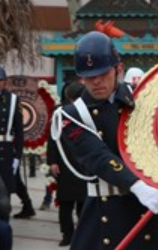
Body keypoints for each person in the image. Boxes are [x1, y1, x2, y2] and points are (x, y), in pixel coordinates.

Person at [55, 31, 158, 250]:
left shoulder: (142, 101)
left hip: (146, 207)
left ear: (118, 69)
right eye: (89, 76)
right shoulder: (71, 115)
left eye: (103, 73)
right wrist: (137, 186)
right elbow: (97, 156)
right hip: (103, 210)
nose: (97, 81)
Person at [0, 65, 33, 219]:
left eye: (1, 80)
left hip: (6, 149)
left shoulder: (13, 100)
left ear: (5, 81)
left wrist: (17, 156)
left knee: (4, 189)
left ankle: (3, 223)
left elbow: (19, 131)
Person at [47, 82, 88, 247]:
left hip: (83, 163)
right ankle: (67, 234)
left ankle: (83, 233)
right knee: (65, 203)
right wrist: (52, 161)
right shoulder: (59, 112)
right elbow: (52, 138)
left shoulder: (87, 110)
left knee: (83, 202)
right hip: (64, 162)